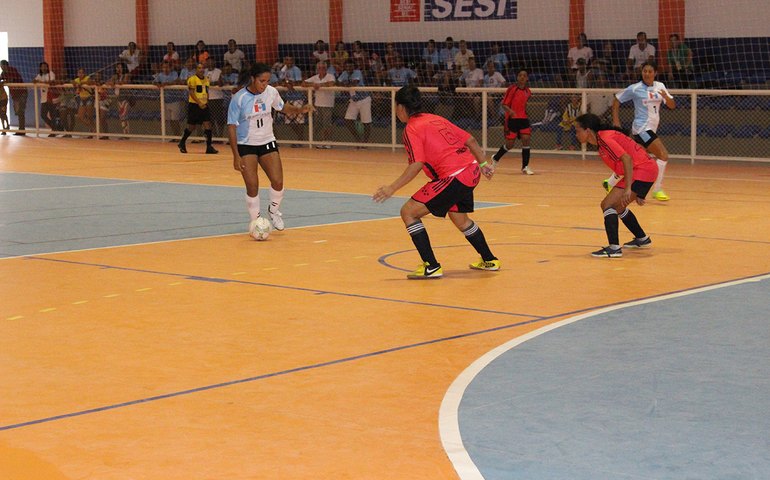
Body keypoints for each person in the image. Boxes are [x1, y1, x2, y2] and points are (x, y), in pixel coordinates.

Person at [372, 85, 498, 279]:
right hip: (471, 171)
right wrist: (483, 163)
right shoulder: (435, 118)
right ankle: (489, 260)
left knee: (408, 212)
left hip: (453, 176)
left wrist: (392, 188)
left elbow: (416, 164)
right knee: (460, 219)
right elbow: (471, 140)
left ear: (401, 107)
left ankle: (431, 266)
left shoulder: (412, 129)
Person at [227, 62, 313, 233]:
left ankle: (273, 211)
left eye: (267, 81)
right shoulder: (239, 98)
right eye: (261, 81)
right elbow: (231, 127)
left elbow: (282, 107)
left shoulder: (271, 92)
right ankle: (256, 222)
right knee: (252, 186)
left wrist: (300, 109)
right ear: (253, 79)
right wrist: (236, 155)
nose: (264, 85)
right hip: (246, 145)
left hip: (267, 141)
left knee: (278, 181)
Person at [574, 113, 658, 258]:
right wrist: (640, 191)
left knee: (608, 205)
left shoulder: (605, 139)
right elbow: (628, 159)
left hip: (642, 170)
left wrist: (629, 189)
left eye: (577, 130)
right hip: (644, 170)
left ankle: (614, 248)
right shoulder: (602, 142)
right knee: (617, 207)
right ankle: (642, 238)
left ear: (587, 130)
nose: (576, 134)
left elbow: (627, 159)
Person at [608, 61, 675, 201]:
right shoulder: (635, 88)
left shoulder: (660, 86)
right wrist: (616, 121)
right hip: (642, 128)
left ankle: (611, 181)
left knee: (635, 160)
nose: (647, 74)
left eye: (650, 71)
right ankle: (657, 189)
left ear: (655, 73)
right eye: (645, 71)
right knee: (663, 155)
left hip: (652, 129)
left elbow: (672, 106)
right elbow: (616, 100)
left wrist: (666, 97)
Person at [490, 68, 534, 175]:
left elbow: (524, 105)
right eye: (520, 75)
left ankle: (525, 167)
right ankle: (496, 158)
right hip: (512, 120)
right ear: (517, 77)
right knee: (510, 145)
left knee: (526, 140)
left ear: (527, 78)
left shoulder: (528, 92)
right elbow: (504, 104)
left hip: (523, 119)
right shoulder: (512, 89)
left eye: (524, 75)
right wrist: (511, 112)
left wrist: (526, 114)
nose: (522, 77)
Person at [178, 63, 217, 154]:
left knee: (208, 125)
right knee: (192, 127)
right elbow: (191, 93)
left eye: (203, 68)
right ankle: (182, 142)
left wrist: (206, 102)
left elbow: (206, 92)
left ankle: (209, 147)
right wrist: (199, 103)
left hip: (204, 105)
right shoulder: (192, 79)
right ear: (196, 69)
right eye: (199, 68)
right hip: (194, 105)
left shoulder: (207, 80)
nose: (201, 69)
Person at [337, 59, 372, 148]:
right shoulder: (344, 73)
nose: (349, 68)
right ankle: (358, 140)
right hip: (354, 100)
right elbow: (338, 82)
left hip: (364, 99)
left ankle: (365, 142)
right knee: (348, 120)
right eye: (347, 66)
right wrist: (344, 84)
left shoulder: (357, 72)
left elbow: (354, 83)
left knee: (366, 122)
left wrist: (344, 84)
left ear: (354, 67)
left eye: (351, 66)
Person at [302, 61, 336, 148]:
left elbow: (331, 83)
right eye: (320, 68)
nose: (321, 70)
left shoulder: (330, 76)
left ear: (326, 69)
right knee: (319, 123)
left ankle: (328, 142)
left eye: (323, 68)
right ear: (317, 69)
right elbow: (303, 83)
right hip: (318, 104)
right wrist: (313, 84)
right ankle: (322, 141)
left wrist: (319, 85)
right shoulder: (315, 77)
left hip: (328, 104)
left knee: (327, 123)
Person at [0, 60, 27, 135]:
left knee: (20, 111)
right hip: (14, 95)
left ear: (7, 65)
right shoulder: (3, 73)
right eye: (1, 66)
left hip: (22, 93)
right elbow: (1, 79)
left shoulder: (12, 70)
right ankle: (20, 129)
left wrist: (4, 81)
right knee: (18, 111)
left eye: (3, 65)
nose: (2, 67)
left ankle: (22, 130)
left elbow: (12, 79)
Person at [34, 61, 60, 136]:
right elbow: (34, 81)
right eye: (42, 66)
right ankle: (55, 128)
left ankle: (54, 130)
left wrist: (41, 81)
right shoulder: (39, 75)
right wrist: (37, 81)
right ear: (40, 68)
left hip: (51, 97)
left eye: (45, 66)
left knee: (52, 115)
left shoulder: (51, 73)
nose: (43, 68)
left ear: (47, 67)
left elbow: (51, 82)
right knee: (43, 115)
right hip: (43, 98)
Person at [108, 62, 133, 138]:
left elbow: (124, 82)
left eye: (120, 67)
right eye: (117, 67)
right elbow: (108, 82)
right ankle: (125, 133)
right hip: (119, 99)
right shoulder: (115, 76)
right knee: (122, 117)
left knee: (124, 116)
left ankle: (126, 134)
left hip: (125, 98)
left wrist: (114, 82)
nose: (118, 69)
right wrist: (111, 82)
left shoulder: (126, 75)